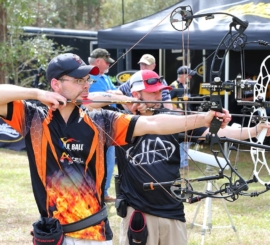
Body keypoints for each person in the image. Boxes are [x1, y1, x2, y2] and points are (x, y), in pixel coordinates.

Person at [0, 53, 230, 245]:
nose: (86, 85)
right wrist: (35, 93)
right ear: (55, 84)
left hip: (94, 234)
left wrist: (203, 119)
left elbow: (154, 123)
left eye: (87, 80)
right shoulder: (33, 118)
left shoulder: (101, 120)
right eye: (79, 80)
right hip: (53, 234)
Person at [98, 70, 270, 245]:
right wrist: (124, 100)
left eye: (160, 91)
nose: (159, 95)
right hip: (138, 213)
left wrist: (255, 131)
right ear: (136, 94)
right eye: (153, 92)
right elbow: (88, 102)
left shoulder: (172, 119)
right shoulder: (119, 120)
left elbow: (220, 132)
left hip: (173, 211)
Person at [88, 48, 117, 202]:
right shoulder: (88, 77)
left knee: (110, 160)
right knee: (97, 160)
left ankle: (104, 192)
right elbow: (99, 98)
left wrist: (112, 94)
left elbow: (116, 93)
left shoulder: (104, 77)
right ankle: (94, 192)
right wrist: (112, 95)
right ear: (98, 61)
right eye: (106, 62)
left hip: (109, 124)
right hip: (95, 125)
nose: (108, 65)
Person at [170, 65, 197, 169]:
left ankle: (184, 162)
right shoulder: (174, 86)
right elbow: (165, 101)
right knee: (184, 139)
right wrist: (177, 110)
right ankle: (183, 164)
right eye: (188, 75)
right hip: (177, 116)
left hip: (185, 115)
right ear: (183, 75)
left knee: (187, 139)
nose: (190, 77)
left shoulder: (184, 86)